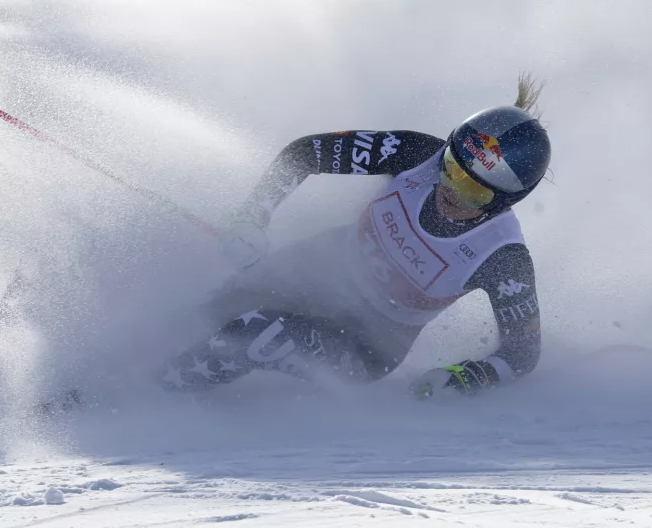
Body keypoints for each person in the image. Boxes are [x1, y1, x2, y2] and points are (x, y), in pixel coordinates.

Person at [158, 75, 550, 399]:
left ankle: (147, 400)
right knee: (206, 315)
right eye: (451, 168)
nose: (450, 190)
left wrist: (466, 377)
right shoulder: (415, 154)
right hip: (315, 270)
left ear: (504, 201)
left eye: (474, 191)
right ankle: (131, 369)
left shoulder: (502, 257)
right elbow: (306, 153)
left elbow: (522, 354)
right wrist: (252, 217)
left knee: (258, 334)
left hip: (366, 344)